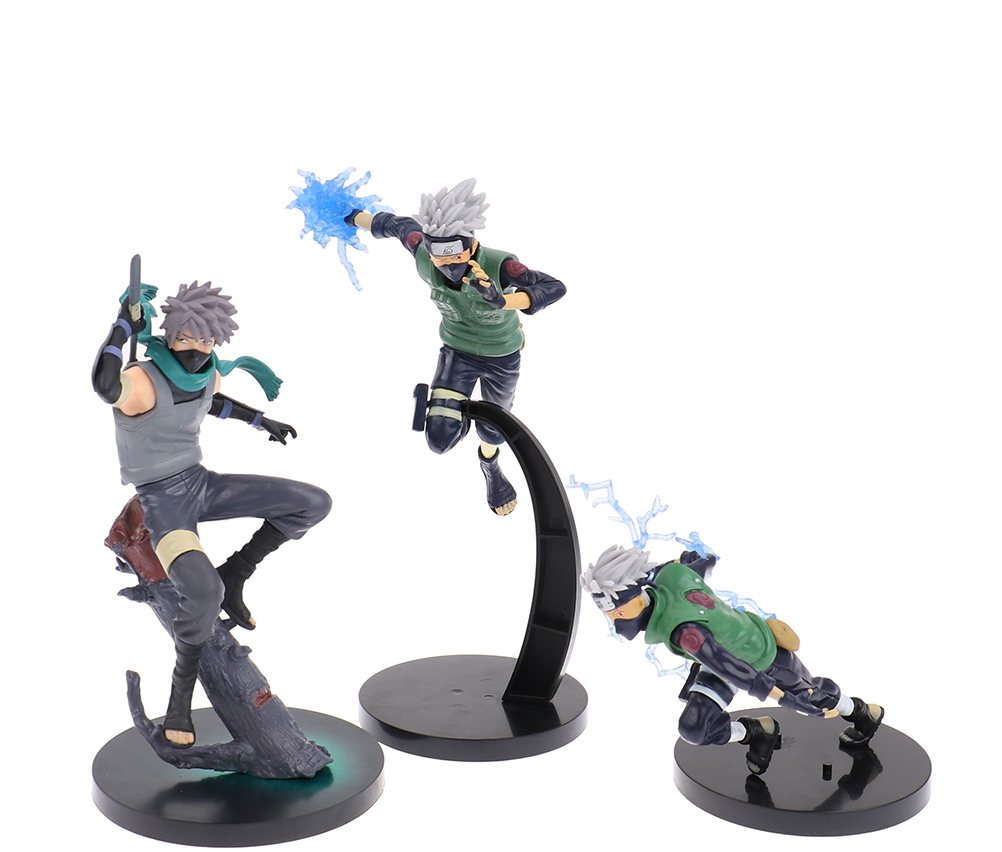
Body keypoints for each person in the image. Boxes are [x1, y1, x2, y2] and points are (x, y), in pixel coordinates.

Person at [93, 280, 331, 748]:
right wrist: (122, 324)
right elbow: (105, 384)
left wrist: (261, 421)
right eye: (188, 338)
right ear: (171, 334)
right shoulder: (141, 382)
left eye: (206, 341)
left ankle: (237, 570)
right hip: (163, 501)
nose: (197, 349)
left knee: (313, 503)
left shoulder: (208, 375)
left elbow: (211, 403)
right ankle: (179, 698)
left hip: (202, 484)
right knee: (204, 592)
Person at [346, 179, 566, 515]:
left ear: (471, 245)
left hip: (501, 356)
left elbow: (554, 287)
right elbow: (396, 225)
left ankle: (490, 465)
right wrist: (351, 215)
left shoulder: (501, 267)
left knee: (494, 431)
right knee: (439, 438)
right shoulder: (423, 252)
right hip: (457, 352)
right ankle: (453, 412)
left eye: (455, 254)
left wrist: (503, 300)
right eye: (438, 255)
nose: (447, 264)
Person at [581, 544, 884, 774]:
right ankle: (758, 732)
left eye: (618, 611)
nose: (615, 619)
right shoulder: (670, 575)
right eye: (609, 613)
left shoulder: (685, 632)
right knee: (695, 728)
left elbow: (734, 668)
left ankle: (862, 712)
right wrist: (693, 562)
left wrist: (786, 699)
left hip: (759, 654)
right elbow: (702, 560)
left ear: (635, 597)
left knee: (814, 697)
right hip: (717, 663)